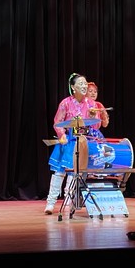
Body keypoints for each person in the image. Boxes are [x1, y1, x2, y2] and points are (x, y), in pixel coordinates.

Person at [44, 72, 102, 214]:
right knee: (59, 172)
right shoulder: (65, 103)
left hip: (82, 141)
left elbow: (96, 126)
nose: (84, 86)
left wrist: (94, 116)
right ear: (72, 87)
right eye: (80, 84)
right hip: (68, 140)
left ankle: (68, 202)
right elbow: (57, 122)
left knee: (74, 174)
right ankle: (50, 203)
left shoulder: (91, 104)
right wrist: (62, 135)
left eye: (85, 83)